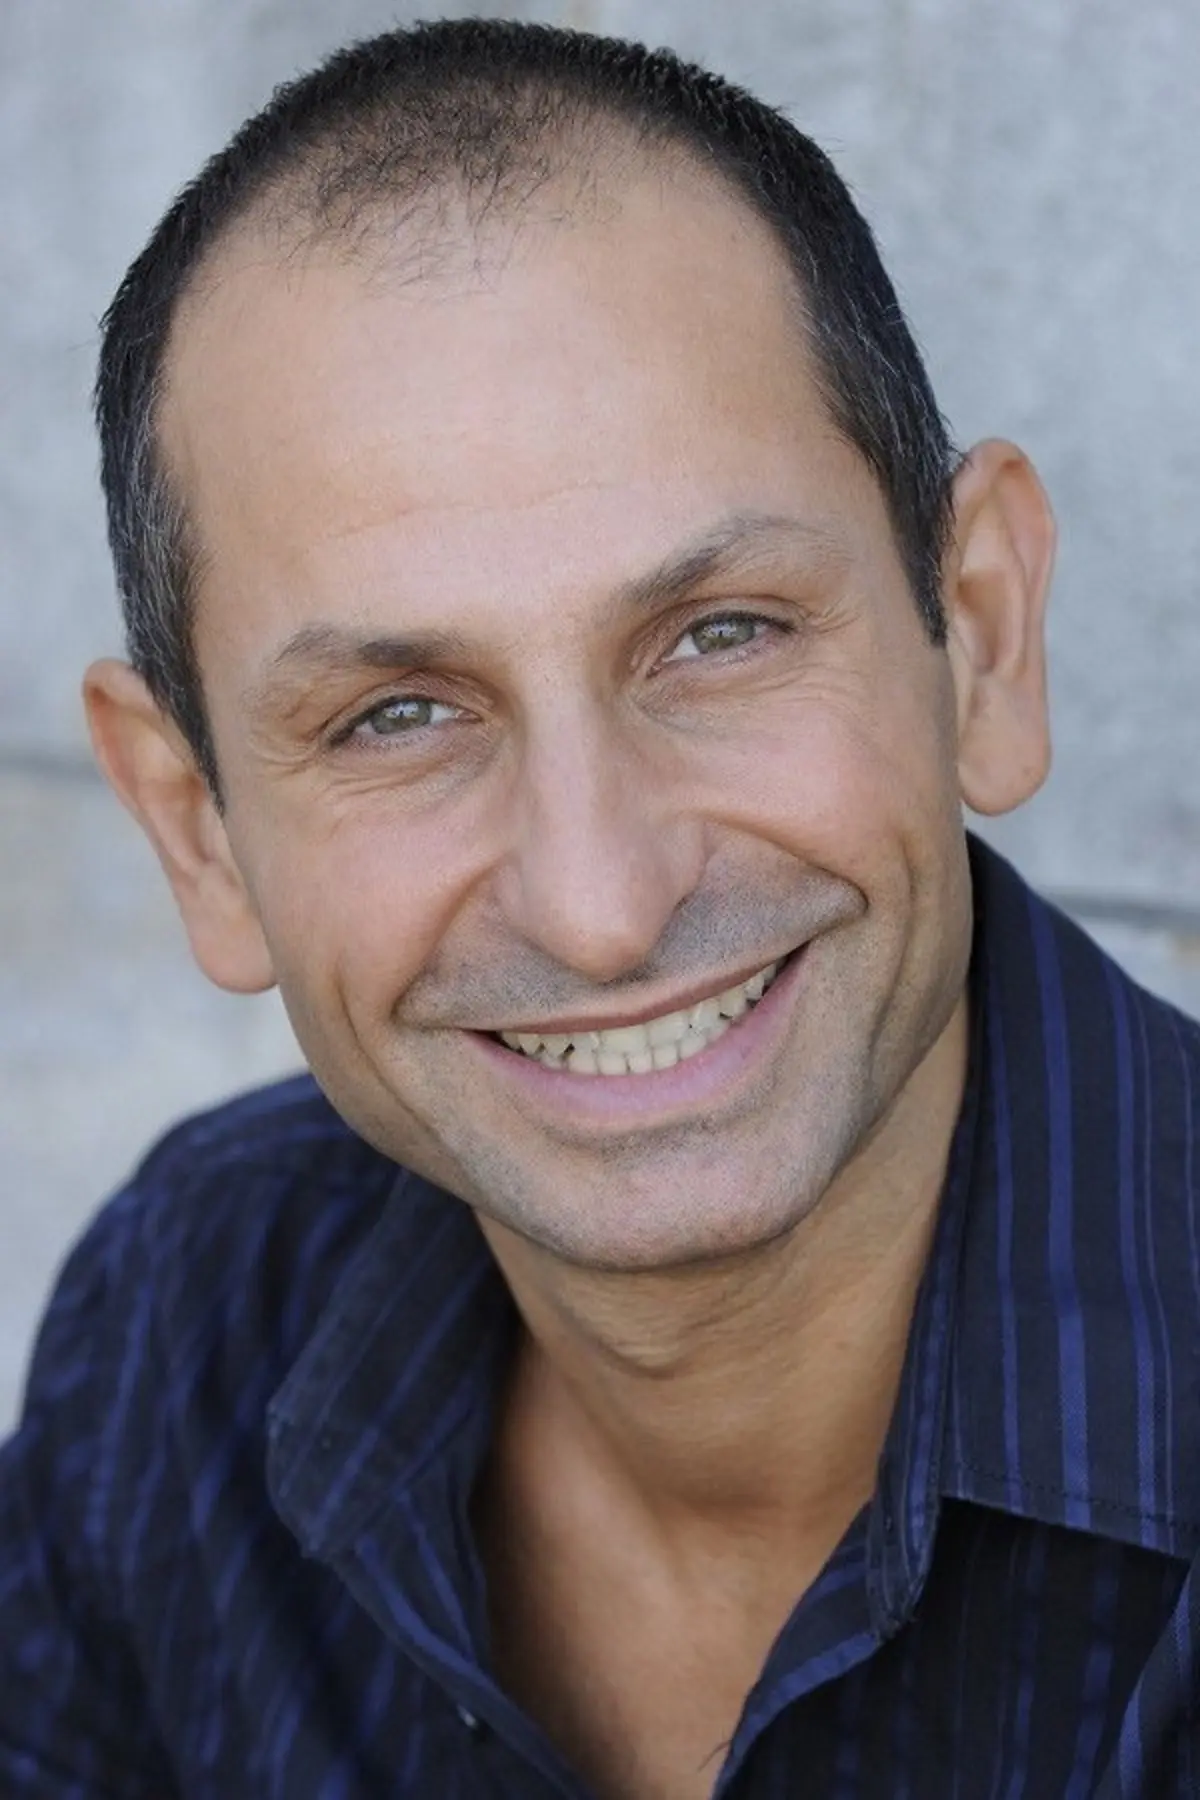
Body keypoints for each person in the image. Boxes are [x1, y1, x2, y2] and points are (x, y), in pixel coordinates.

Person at [2, 16, 1197, 1798]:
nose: (601, 905)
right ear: (200, 834)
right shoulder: (192, 1315)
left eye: (720, 635)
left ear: (981, 635)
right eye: (397, 716)